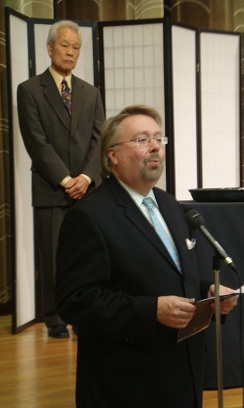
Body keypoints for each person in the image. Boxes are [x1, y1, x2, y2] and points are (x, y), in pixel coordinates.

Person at [56, 105, 238, 407]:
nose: (155, 146)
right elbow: (75, 302)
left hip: (183, 369)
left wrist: (207, 290)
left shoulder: (168, 204)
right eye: (142, 139)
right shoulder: (89, 217)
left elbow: (172, 272)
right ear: (112, 154)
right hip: (129, 381)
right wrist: (150, 310)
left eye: (158, 138)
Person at [17, 20, 105, 338]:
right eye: (65, 45)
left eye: (76, 47)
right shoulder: (29, 90)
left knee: (86, 255)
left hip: (88, 189)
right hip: (52, 188)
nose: (70, 52)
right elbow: (36, 142)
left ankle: (83, 313)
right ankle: (55, 316)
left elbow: (100, 140)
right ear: (50, 48)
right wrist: (66, 179)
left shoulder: (91, 93)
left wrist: (85, 177)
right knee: (53, 255)